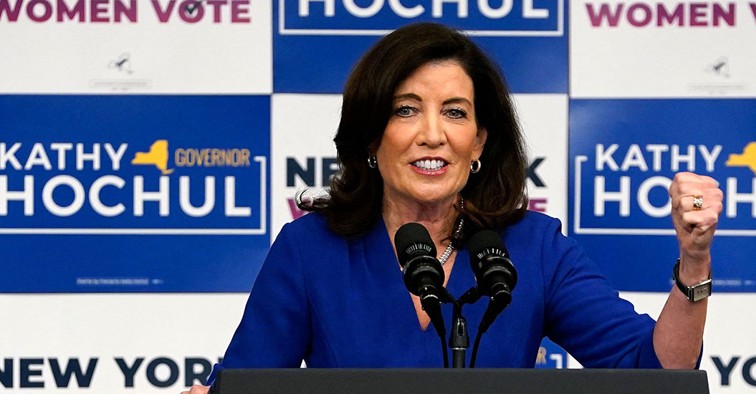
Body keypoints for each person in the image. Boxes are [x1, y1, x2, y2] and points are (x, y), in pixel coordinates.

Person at [183, 22, 722, 393]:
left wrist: (694, 260)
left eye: (455, 113)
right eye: (407, 110)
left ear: (480, 141)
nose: (433, 135)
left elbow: (654, 372)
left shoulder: (533, 248)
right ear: (372, 136)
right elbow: (247, 383)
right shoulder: (310, 250)